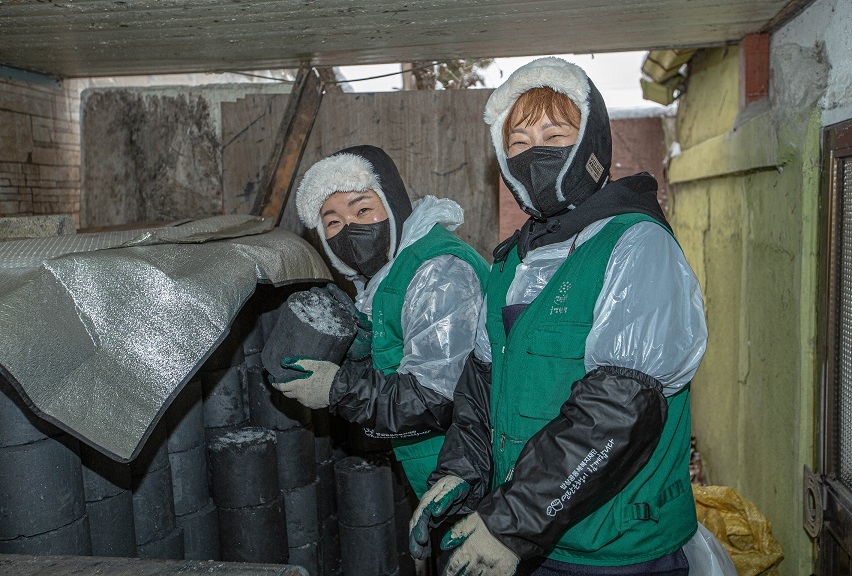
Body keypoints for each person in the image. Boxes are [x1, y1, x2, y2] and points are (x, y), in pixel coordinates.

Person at [407, 57, 733, 575]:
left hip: (615, 550)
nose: (535, 153)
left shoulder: (635, 245)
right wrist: (462, 471)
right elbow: (481, 385)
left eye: (555, 134)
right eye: (517, 144)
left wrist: (512, 521)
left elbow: (620, 409)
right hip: (533, 539)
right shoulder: (513, 261)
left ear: (593, 148)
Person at [271, 144, 489, 503]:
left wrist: (338, 388)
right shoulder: (390, 277)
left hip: (470, 477)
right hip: (435, 475)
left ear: (392, 206)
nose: (349, 229)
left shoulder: (437, 272)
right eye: (334, 222)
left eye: (363, 209)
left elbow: (437, 397)